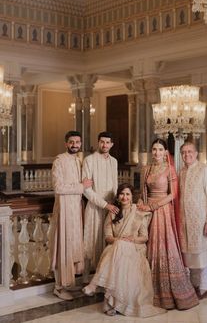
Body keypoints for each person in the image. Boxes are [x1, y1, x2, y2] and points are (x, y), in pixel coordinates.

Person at [83, 183, 166, 317]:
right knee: (118, 247)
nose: (124, 197)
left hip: (135, 248)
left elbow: (144, 237)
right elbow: (108, 237)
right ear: (118, 196)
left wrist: (131, 240)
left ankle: (97, 288)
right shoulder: (113, 212)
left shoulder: (138, 212)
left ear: (132, 196)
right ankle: (111, 301)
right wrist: (120, 241)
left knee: (120, 247)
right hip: (115, 247)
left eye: (128, 194)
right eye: (122, 194)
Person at [138, 138, 199, 310]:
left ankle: (168, 289)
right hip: (147, 212)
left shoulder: (170, 169)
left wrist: (155, 205)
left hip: (162, 211)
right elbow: (142, 191)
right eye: (154, 149)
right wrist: (141, 204)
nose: (157, 153)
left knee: (164, 246)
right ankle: (146, 286)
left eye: (160, 149)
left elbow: (173, 194)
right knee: (147, 245)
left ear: (166, 153)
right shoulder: (146, 168)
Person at [50, 130, 92, 300]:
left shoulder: (78, 161)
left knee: (74, 246)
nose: (75, 145)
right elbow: (58, 187)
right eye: (72, 142)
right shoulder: (59, 161)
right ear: (66, 143)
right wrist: (81, 186)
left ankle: (69, 283)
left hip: (76, 209)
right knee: (63, 247)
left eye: (78, 142)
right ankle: (59, 287)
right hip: (64, 211)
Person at [179, 141, 207, 300]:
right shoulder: (181, 171)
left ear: (196, 153)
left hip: (201, 221)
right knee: (190, 257)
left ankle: (203, 288)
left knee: (203, 256)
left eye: (190, 152)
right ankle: (194, 286)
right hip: (185, 222)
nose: (187, 155)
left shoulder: (205, 169)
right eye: (184, 152)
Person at [82, 131, 119, 282]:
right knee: (91, 240)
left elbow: (115, 184)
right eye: (102, 142)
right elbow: (86, 189)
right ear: (98, 142)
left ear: (111, 144)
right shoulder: (89, 160)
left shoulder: (114, 161)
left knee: (107, 241)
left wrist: (115, 204)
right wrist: (104, 204)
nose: (104, 145)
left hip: (111, 208)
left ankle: (102, 277)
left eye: (107, 142)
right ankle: (85, 277)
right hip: (95, 207)